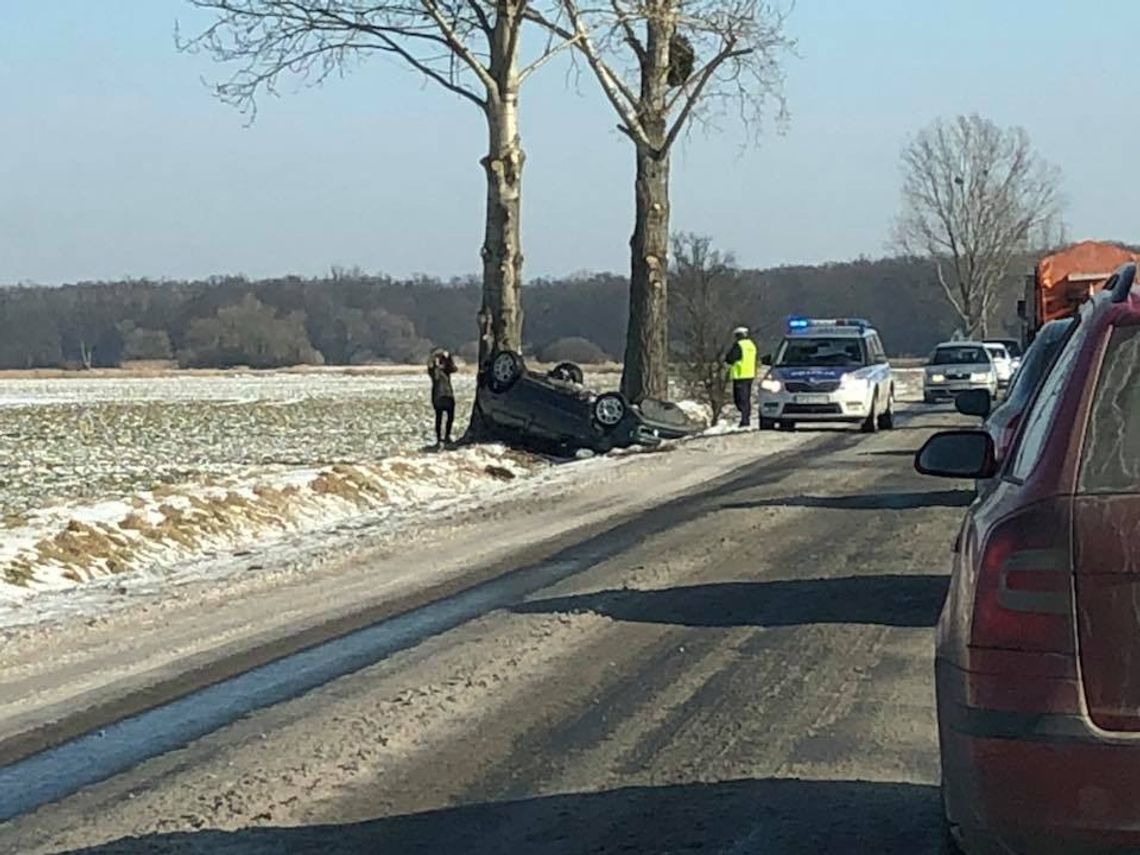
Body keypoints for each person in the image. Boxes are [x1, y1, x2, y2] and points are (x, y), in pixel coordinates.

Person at [724, 326, 758, 428]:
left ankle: (745, 420)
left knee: (739, 399)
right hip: (750, 374)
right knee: (746, 398)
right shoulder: (751, 345)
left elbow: (730, 358)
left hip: (740, 375)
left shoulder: (739, 345)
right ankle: (745, 418)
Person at [427, 349, 457, 448]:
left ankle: (447, 436)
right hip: (439, 396)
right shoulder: (434, 371)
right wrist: (434, 359)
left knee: (450, 416)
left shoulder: (446, 369)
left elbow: (454, 368)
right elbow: (430, 367)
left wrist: (449, 358)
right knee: (439, 417)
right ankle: (440, 438)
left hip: (447, 395)